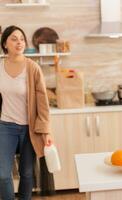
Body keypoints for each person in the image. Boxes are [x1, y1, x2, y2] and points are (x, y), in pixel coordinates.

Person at [0, 25, 53, 200]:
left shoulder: (33, 68)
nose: (19, 42)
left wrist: (45, 131)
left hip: (29, 128)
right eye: (14, 39)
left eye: (22, 39)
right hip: (5, 126)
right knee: (3, 175)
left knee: (27, 173)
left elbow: (43, 103)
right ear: (5, 43)